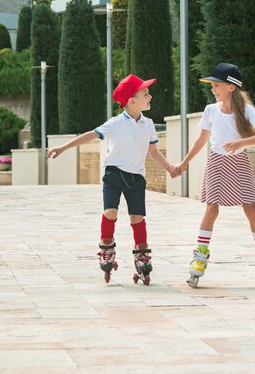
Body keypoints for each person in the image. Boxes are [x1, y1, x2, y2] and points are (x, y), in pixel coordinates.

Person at [48, 74, 176, 285]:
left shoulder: (148, 124)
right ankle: (107, 247)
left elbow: (153, 152)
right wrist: (63, 147)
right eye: (146, 93)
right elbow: (90, 135)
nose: (150, 96)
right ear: (131, 101)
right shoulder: (116, 123)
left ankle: (141, 254)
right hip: (114, 174)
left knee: (137, 218)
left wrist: (169, 167)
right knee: (111, 212)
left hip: (136, 177)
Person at [173, 63, 255, 287]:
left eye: (217, 85)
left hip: (240, 163)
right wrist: (184, 163)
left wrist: (241, 142)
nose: (213, 89)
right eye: (212, 86)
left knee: (250, 207)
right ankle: (200, 256)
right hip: (216, 162)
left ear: (231, 87)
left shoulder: (246, 111)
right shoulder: (210, 110)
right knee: (211, 207)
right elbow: (201, 140)